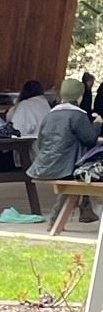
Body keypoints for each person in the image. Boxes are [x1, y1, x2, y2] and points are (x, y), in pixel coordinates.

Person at [30, 76, 103, 224]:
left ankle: (85, 209)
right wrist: (97, 123)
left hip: (43, 165)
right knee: (87, 170)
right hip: (64, 167)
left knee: (81, 173)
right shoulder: (77, 115)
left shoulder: (50, 115)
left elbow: (41, 141)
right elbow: (89, 139)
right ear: (80, 96)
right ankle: (59, 218)